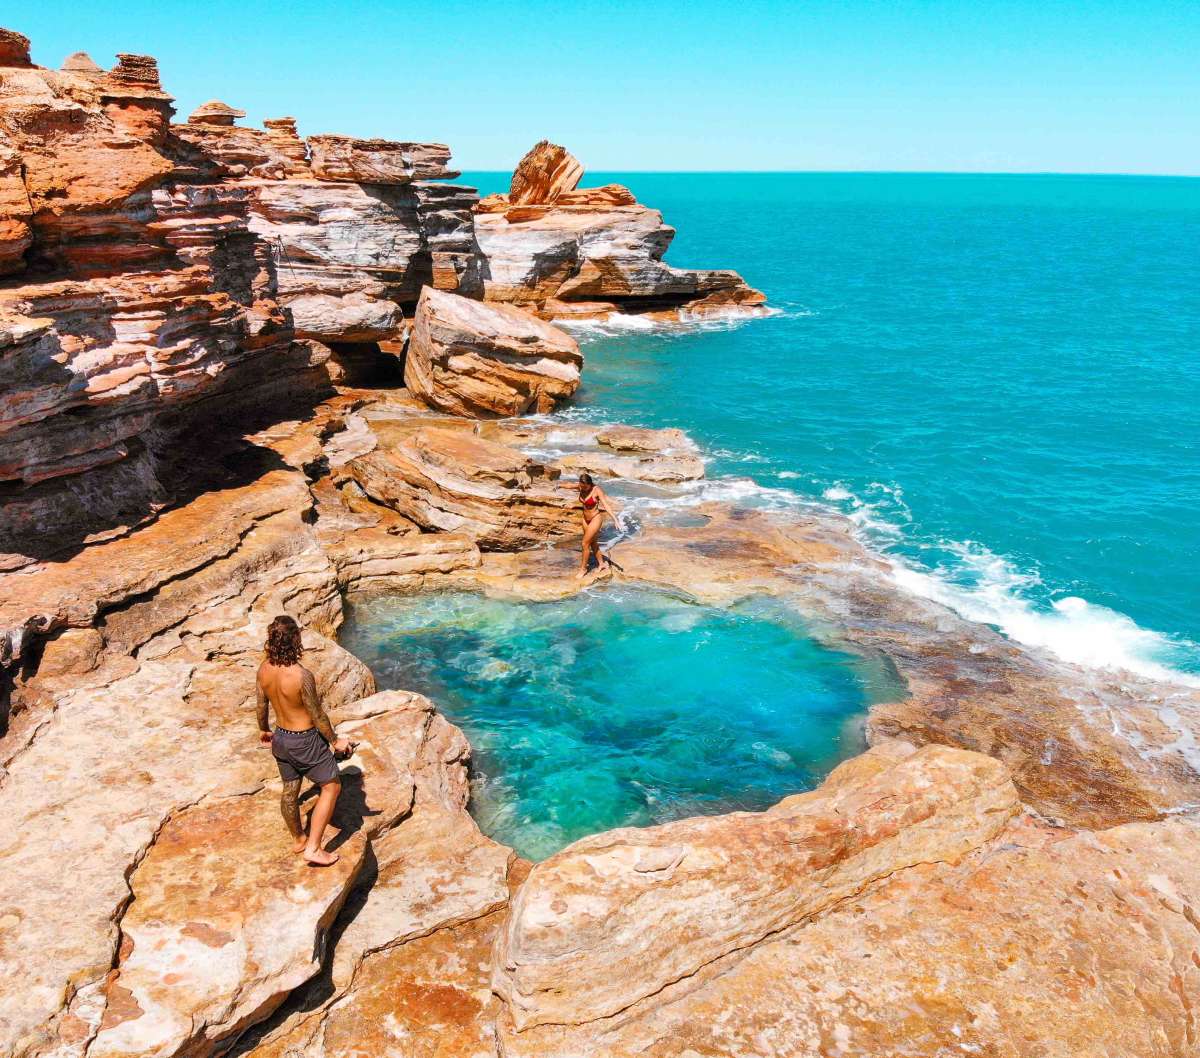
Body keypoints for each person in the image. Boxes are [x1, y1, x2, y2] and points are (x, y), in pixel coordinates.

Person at [255, 615, 353, 866]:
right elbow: (317, 714)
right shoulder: (301, 675)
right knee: (331, 787)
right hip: (305, 740)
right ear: (295, 641)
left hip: (281, 738)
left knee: (290, 788)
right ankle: (314, 848)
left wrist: (264, 730)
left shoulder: (264, 669)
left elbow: (261, 704)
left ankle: (298, 839)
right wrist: (335, 741)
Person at [575, 473, 620, 579]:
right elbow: (569, 485)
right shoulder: (580, 487)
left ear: (590, 484)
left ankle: (583, 569)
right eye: (581, 486)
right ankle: (602, 564)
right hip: (585, 519)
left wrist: (615, 519)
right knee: (593, 542)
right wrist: (559, 486)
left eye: (585, 487)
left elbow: (606, 505)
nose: (583, 489)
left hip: (596, 518)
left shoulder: (596, 490)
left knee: (585, 543)